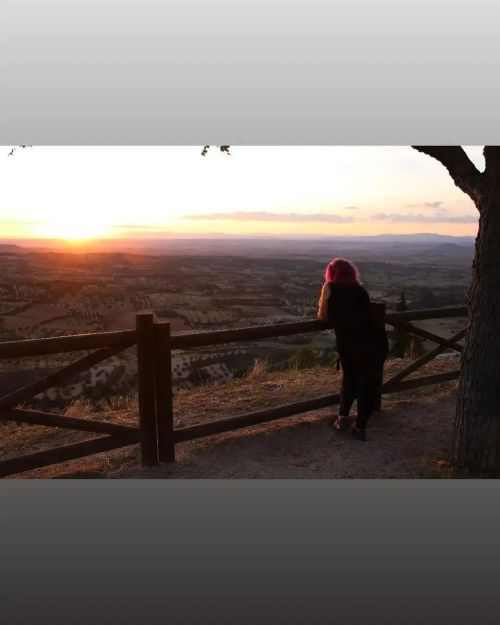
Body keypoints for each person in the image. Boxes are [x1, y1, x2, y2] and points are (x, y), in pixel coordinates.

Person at [317, 257, 388, 441]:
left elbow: (323, 316)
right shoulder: (360, 291)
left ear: (332, 274)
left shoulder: (329, 287)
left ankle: (342, 419)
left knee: (349, 380)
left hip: (351, 346)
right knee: (367, 385)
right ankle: (360, 427)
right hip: (376, 343)